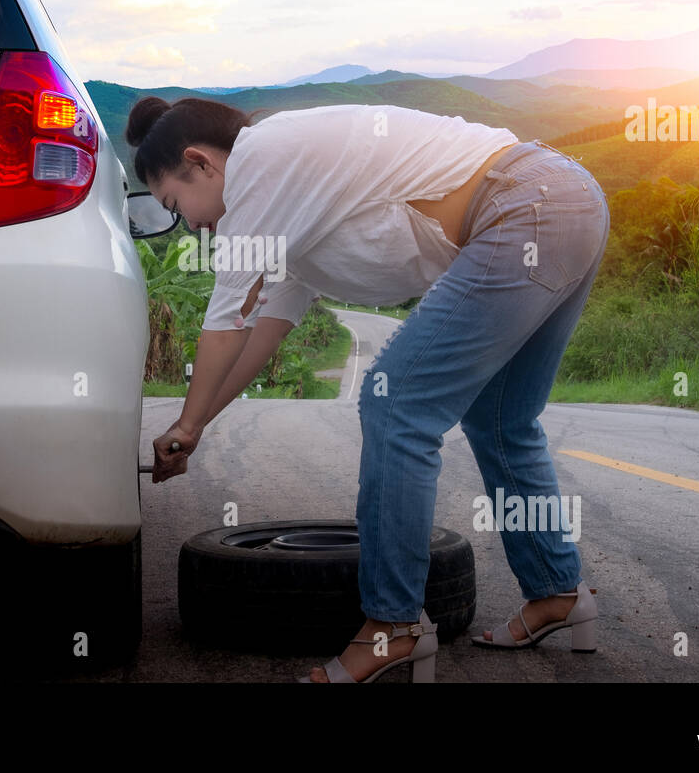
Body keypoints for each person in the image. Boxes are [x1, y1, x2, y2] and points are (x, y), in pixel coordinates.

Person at [129, 96, 609, 683]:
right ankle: (557, 591)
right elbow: (258, 335)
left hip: (524, 206)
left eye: (175, 205)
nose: (188, 224)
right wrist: (195, 425)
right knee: (501, 419)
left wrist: (180, 425)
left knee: (394, 403)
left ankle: (393, 627)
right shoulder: (293, 207)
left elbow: (226, 316)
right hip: (565, 201)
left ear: (200, 163)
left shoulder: (257, 160)